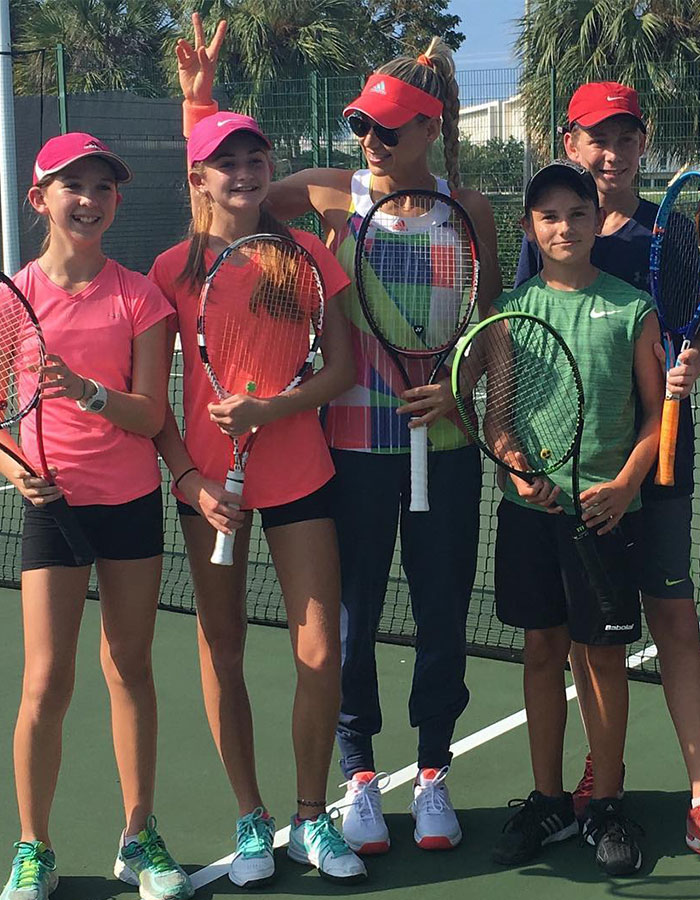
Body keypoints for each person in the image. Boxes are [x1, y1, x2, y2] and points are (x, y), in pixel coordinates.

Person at [177, 14, 504, 855]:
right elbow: (220, 190)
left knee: (439, 614)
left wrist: (462, 398)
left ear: (430, 128)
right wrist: (200, 101)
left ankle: (433, 773)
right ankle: (357, 776)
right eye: (359, 123)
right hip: (351, 453)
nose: (369, 140)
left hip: (448, 452)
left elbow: (488, 325)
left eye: (388, 129)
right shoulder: (328, 192)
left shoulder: (470, 208)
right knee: (355, 620)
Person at [150, 100, 367, 884]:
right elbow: (153, 403)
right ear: (199, 175)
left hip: (301, 478)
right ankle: (251, 818)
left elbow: (340, 370)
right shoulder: (171, 271)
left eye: (255, 160)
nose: (244, 174)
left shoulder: (306, 254)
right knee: (224, 649)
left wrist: (272, 409)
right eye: (226, 162)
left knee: (319, 650)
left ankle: (312, 818)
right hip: (211, 494)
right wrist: (191, 479)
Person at [0, 133, 192, 900]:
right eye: (71, 185)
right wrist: (17, 471)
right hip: (52, 510)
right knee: (45, 682)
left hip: (129, 506)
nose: (89, 199)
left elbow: (151, 416)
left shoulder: (140, 296)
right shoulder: (13, 299)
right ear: (38, 198)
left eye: (103, 187)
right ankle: (33, 847)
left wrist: (84, 391)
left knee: (132, 668)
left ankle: (138, 836)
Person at [515, 82, 700, 848]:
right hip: (576, 485)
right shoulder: (551, 237)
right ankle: (587, 779)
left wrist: (692, 368)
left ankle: (697, 788)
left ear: (642, 141)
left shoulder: (671, 232)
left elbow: (693, 324)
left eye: (625, 139)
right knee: (583, 638)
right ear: (570, 142)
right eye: (596, 138)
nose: (612, 153)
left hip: (657, 468)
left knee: (672, 621)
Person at [489, 161, 662, 876]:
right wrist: (514, 466)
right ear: (530, 227)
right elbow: (498, 418)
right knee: (540, 653)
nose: (564, 226)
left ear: (599, 220)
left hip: (606, 516)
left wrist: (625, 483)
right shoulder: (510, 313)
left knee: (603, 660)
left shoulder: (632, 309)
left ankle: (609, 801)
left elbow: (659, 418)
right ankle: (550, 797)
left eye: (577, 213)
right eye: (549, 216)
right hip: (530, 515)